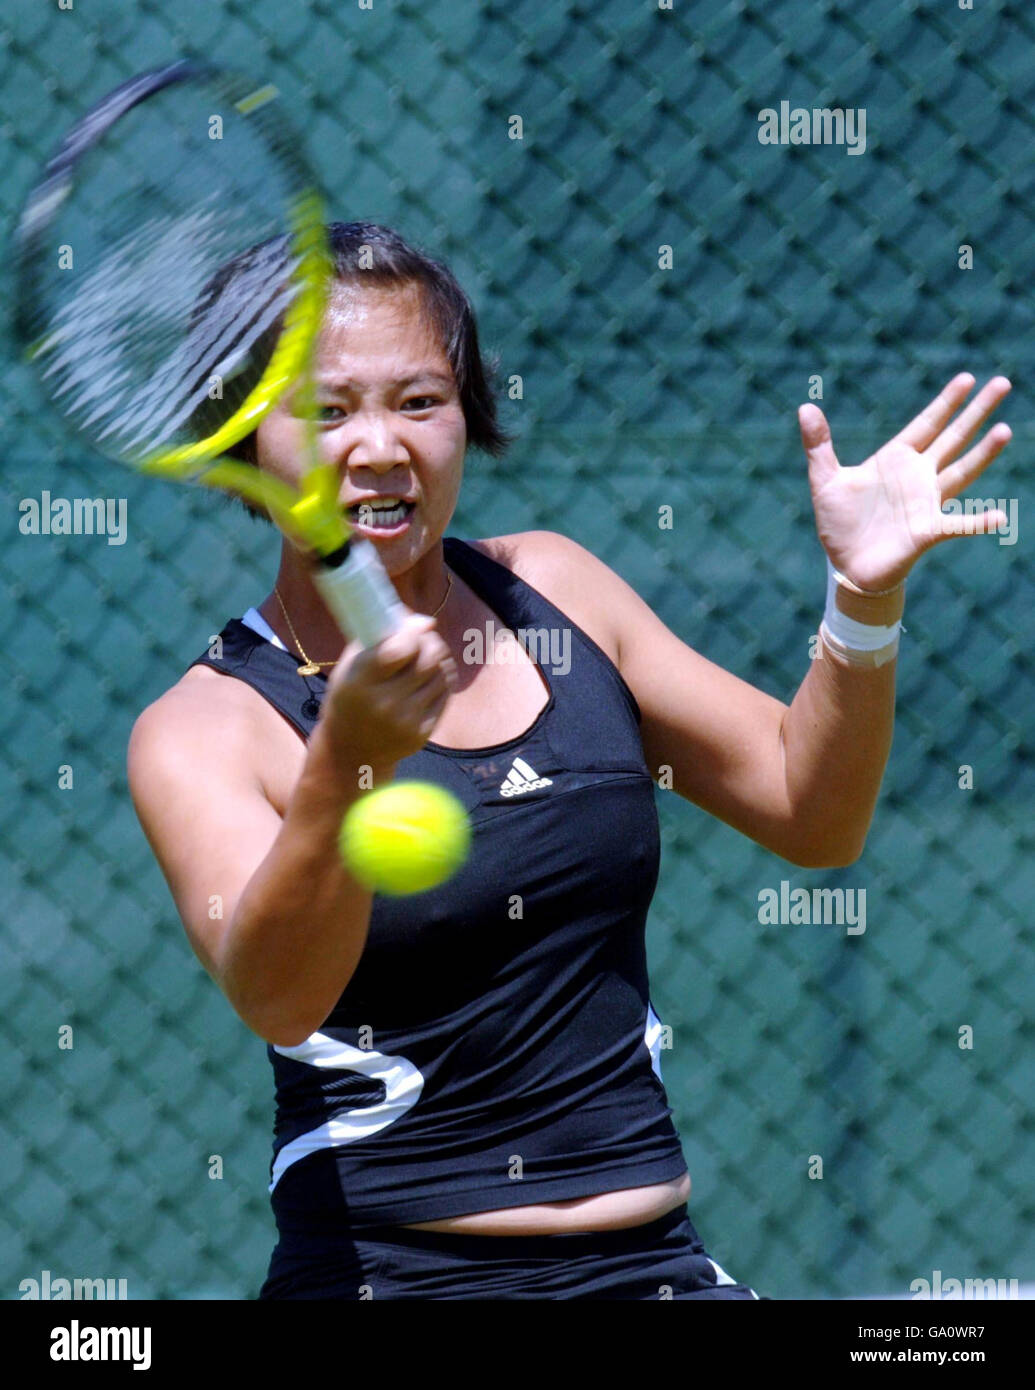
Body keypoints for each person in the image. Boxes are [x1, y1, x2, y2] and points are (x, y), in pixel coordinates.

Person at [127, 221, 1012, 1300]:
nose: (379, 445)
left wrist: (865, 600)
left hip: (654, 1270)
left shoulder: (555, 592)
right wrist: (347, 765)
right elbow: (277, 995)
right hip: (393, 1279)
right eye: (326, 410)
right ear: (247, 435)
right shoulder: (203, 726)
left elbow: (810, 810)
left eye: (420, 401)